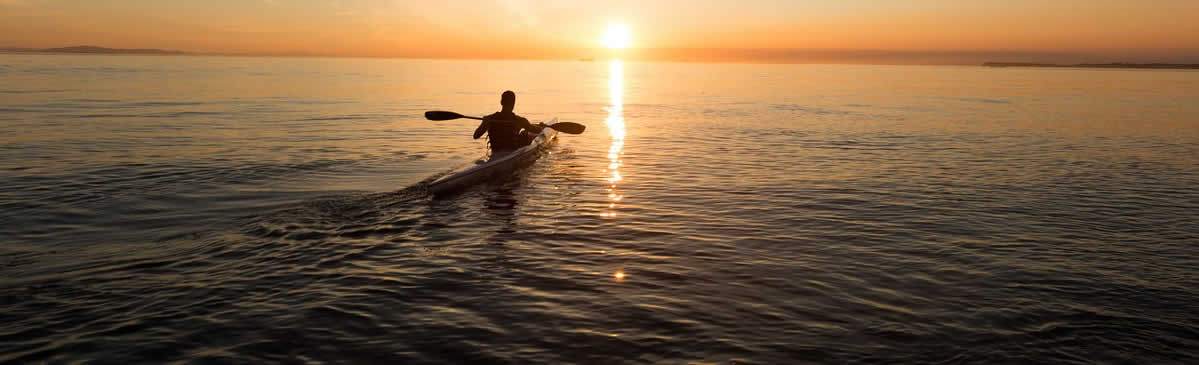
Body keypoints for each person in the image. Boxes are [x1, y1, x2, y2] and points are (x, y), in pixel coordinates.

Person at [474, 90, 543, 151]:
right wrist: (541, 127)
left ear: (501, 102)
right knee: (525, 134)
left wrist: (484, 123)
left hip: (496, 151)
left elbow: (476, 136)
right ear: (513, 104)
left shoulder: (490, 119)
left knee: (523, 133)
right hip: (512, 151)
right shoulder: (520, 121)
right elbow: (537, 130)